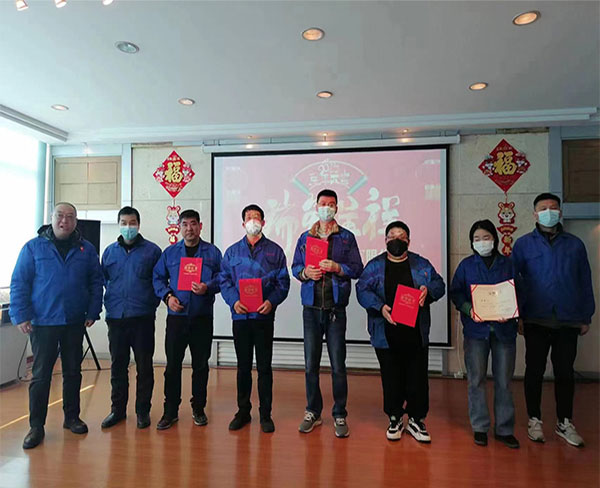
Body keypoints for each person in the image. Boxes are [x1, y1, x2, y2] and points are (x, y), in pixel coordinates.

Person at [10, 202, 103, 449]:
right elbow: (20, 282)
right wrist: (20, 314)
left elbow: (96, 282)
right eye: (60, 216)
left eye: (70, 217)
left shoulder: (86, 249)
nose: (65, 221)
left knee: (73, 372)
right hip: (44, 322)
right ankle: (36, 426)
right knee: (41, 375)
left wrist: (93, 311)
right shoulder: (33, 247)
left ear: (76, 222)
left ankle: (72, 418)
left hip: (74, 320)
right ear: (52, 218)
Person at [513, 192, 595, 447]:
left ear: (560, 212)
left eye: (553, 207)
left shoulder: (575, 244)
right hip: (535, 318)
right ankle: (534, 419)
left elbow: (585, 280)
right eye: (543, 208)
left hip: (568, 318)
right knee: (534, 371)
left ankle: (564, 422)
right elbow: (514, 283)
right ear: (535, 214)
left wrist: (586, 315)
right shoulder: (523, 245)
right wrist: (518, 315)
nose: (549, 211)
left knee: (565, 372)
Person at [356, 221, 445, 443]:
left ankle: (416, 419)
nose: (397, 240)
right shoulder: (375, 266)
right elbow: (362, 289)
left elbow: (439, 284)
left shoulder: (421, 263)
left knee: (417, 377)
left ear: (408, 241)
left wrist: (428, 291)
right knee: (391, 377)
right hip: (385, 331)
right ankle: (394, 417)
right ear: (386, 241)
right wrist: (380, 307)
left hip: (416, 331)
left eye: (402, 236)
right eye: (392, 236)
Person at [292, 189, 363, 438]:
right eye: (323, 203)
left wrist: (338, 267)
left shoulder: (346, 237)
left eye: (331, 204)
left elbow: (357, 268)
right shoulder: (305, 237)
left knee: (338, 365)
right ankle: (313, 411)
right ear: (316, 206)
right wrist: (305, 273)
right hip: (311, 309)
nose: (327, 208)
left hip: (335, 309)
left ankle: (340, 413)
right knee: (310, 365)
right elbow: (295, 267)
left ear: (337, 208)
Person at [219, 204, 290, 433]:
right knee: (243, 367)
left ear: (263, 222)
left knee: (264, 367)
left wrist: (271, 302)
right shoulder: (232, 252)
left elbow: (283, 283)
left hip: (263, 317)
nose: (253, 221)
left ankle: (265, 414)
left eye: (256, 217)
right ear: (243, 224)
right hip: (240, 317)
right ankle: (243, 411)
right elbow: (224, 281)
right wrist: (233, 301)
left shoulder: (275, 251)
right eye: (249, 218)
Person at [449, 219, 519, 448]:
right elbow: (456, 293)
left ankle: (504, 429)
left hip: (504, 330)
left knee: (504, 381)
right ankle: (480, 427)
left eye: (486, 237)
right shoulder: (466, 265)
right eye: (477, 239)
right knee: (476, 379)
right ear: (472, 243)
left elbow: (521, 292)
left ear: (494, 239)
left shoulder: (508, 264)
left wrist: (513, 311)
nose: (482, 242)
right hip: (476, 332)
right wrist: (468, 309)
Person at [152, 209, 222, 430]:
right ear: (179, 227)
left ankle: (198, 408)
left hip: (202, 317)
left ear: (200, 226)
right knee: (172, 365)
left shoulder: (212, 252)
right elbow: (157, 278)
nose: (189, 228)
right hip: (177, 318)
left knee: (200, 366)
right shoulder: (170, 253)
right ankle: (170, 411)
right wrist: (168, 297)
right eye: (185, 224)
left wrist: (207, 287)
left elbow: (224, 277)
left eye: (193, 224)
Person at [100, 206, 162, 430]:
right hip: (116, 317)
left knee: (144, 367)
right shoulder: (109, 252)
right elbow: (103, 280)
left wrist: (150, 304)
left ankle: (142, 411)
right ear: (119, 225)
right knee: (118, 366)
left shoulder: (153, 251)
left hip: (142, 318)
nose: (128, 227)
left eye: (132, 222)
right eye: (124, 223)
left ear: (139, 224)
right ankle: (117, 410)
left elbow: (159, 282)